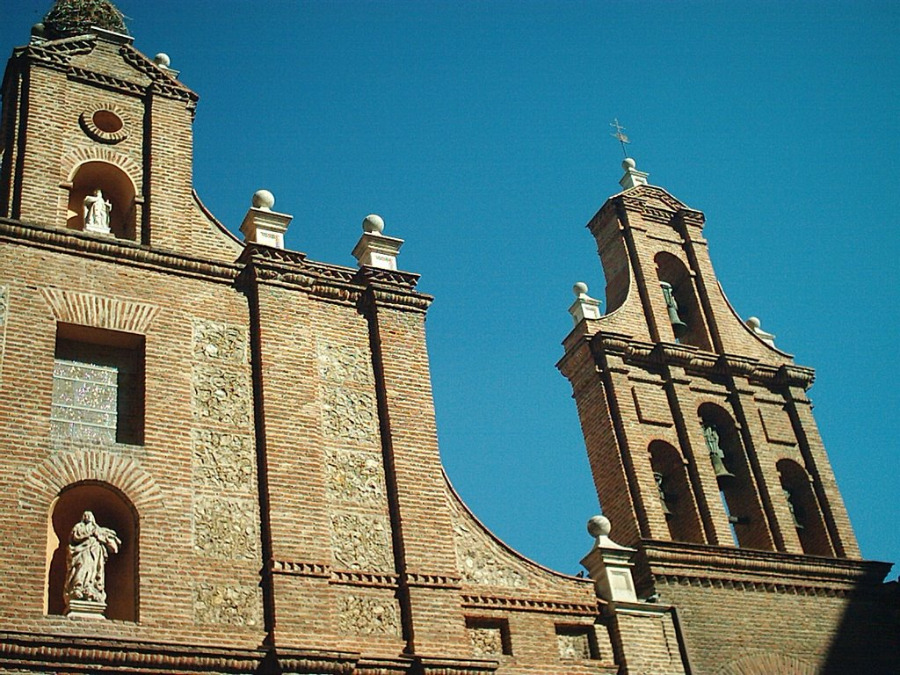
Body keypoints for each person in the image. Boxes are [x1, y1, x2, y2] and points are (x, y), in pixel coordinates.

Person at [65, 511, 121, 604]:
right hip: (82, 552)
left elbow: (113, 547)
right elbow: (75, 537)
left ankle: (90, 588)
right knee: (81, 567)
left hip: (94, 553)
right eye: (85, 515)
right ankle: (78, 587)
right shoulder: (79, 527)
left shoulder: (97, 529)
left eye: (89, 515)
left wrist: (100, 536)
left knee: (93, 570)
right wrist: (89, 534)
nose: (87, 517)